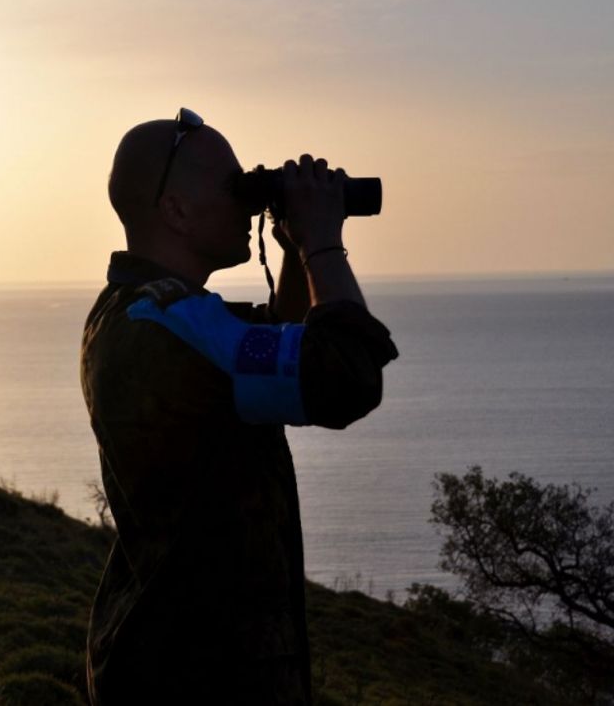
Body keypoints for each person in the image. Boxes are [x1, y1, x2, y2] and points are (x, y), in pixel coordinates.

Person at [81, 109, 399, 704]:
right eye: (235, 187)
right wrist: (324, 245)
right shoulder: (168, 328)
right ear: (174, 210)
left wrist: (293, 252)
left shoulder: (144, 310)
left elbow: (275, 348)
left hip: (170, 655)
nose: (248, 202)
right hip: (200, 673)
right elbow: (345, 377)